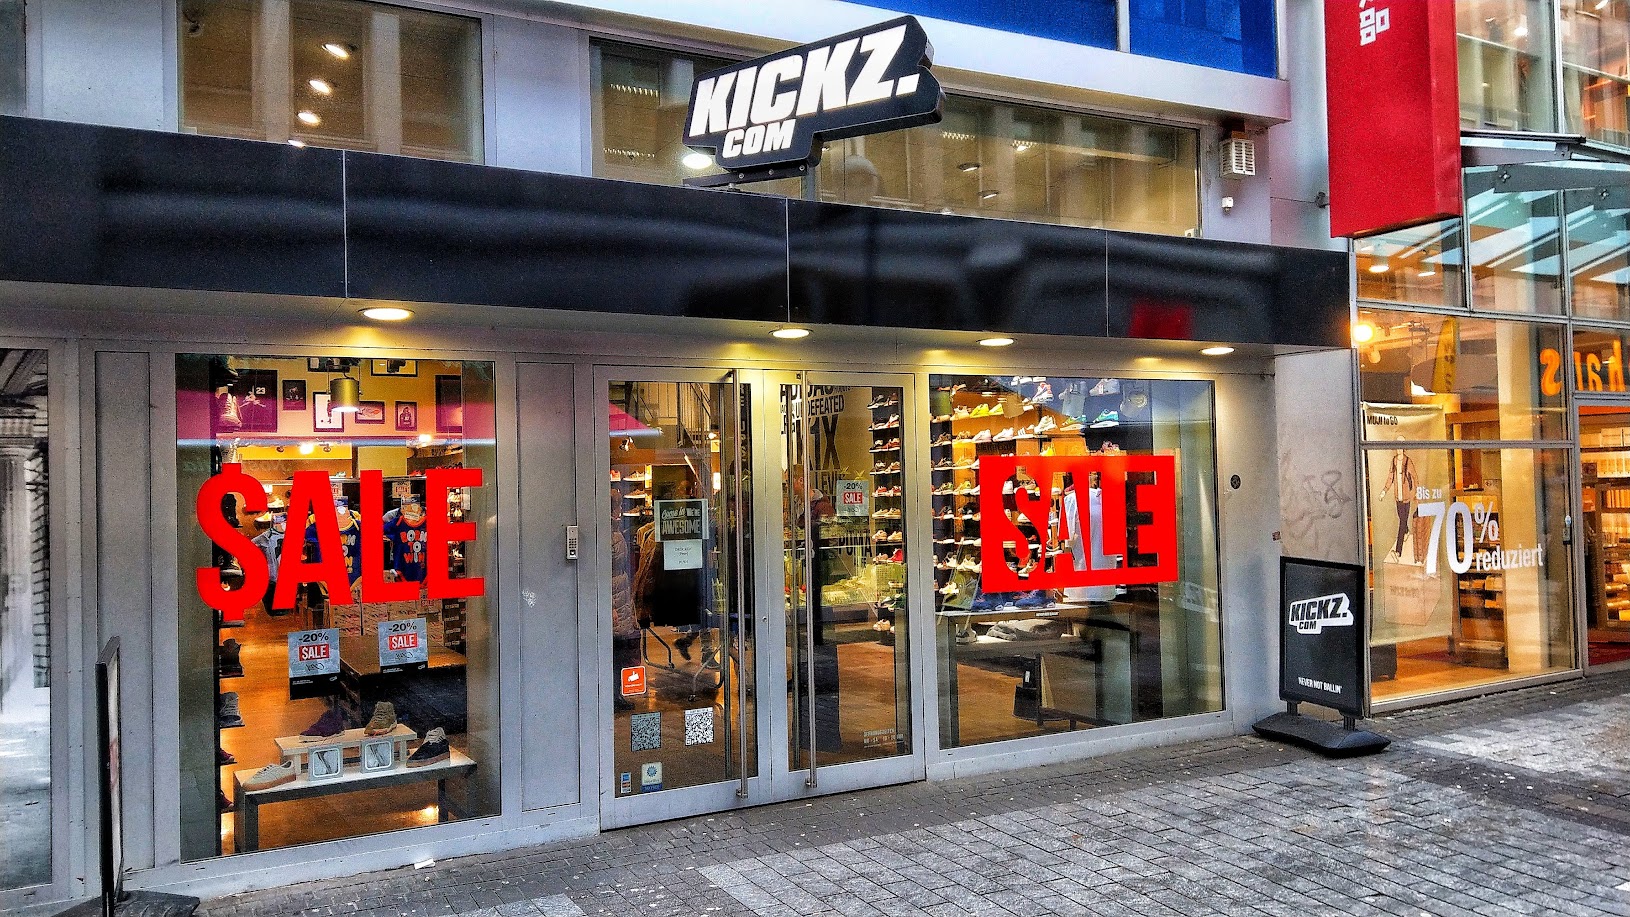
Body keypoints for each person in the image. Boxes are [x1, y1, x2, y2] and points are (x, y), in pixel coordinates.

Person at [1379, 438, 1417, 563]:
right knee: (1402, 519)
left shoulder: (1407, 461)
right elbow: (1390, 477)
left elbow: (1414, 477)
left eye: (1401, 446)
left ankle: (1398, 550)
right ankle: (1406, 531)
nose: (1399, 449)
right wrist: (1384, 491)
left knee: (1402, 522)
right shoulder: (1394, 461)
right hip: (1398, 497)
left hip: (1406, 497)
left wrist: (1417, 492)